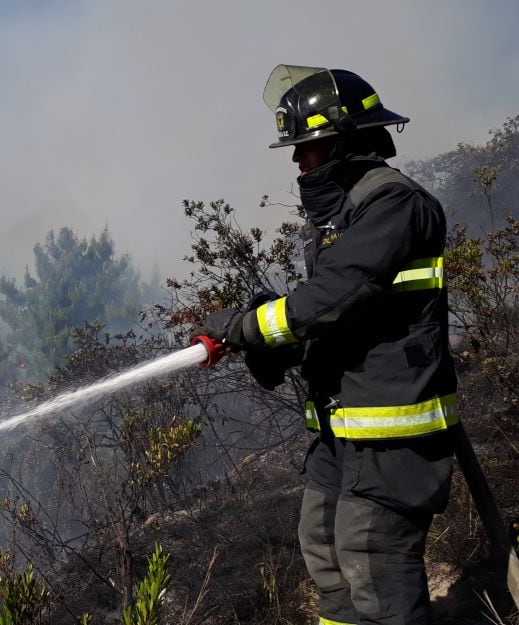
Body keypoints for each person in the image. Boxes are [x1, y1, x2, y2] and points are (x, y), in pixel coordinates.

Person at [192, 65, 458, 625]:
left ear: (343, 143)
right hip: (343, 429)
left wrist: (246, 327)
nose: (297, 162)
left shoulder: (394, 205)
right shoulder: (345, 217)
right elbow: (341, 313)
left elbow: (328, 300)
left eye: (306, 148)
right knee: (324, 549)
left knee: (372, 559)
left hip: (393, 432)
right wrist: (277, 345)